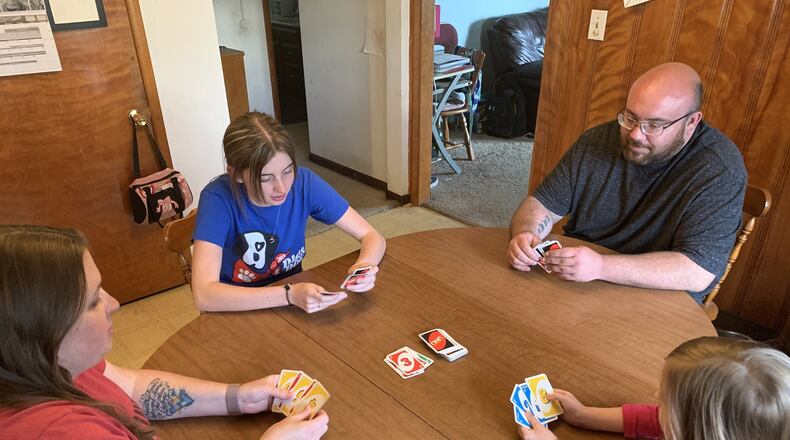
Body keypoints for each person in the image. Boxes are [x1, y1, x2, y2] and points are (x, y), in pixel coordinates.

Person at [0, 225, 329, 439]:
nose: (114, 303)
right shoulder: (64, 431)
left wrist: (237, 397)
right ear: (45, 331)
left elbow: (129, 385)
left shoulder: (52, 364)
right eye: (94, 300)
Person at [507, 62, 747, 303]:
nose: (635, 134)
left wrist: (601, 267)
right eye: (630, 118)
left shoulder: (720, 169)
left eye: (654, 125)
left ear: (691, 122)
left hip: (658, 299)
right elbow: (542, 204)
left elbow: (697, 271)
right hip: (580, 283)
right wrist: (526, 234)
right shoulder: (596, 141)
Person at [192, 112, 386, 313]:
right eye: (266, 178)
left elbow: (372, 236)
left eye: (287, 171)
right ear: (236, 174)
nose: (282, 187)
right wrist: (288, 294)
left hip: (293, 301)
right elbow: (204, 295)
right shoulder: (217, 199)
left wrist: (365, 265)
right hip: (236, 307)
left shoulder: (304, 183)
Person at [516, 336, 790, 440]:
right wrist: (584, 415)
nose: (656, 398)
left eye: (666, 401)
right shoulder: (694, 428)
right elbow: (652, 419)